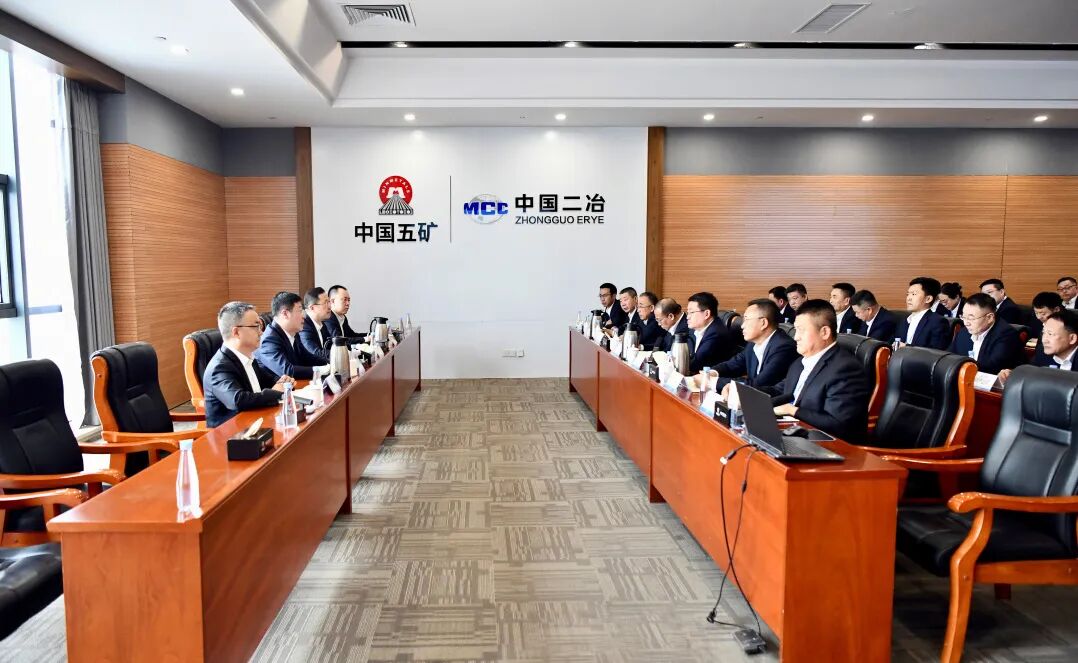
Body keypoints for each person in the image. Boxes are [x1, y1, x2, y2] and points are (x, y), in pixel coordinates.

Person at [763, 299, 868, 442]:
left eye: (801, 330)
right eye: (796, 330)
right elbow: (781, 390)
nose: (796, 337)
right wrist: (748, 397)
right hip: (796, 434)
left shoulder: (846, 369)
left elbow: (840, 425)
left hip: (830, 447)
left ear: (824, 332)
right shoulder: (800, 362)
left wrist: (792, 410)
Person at [203, 301, 292, 428]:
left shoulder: (247, 356)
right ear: (236, 332)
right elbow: (237, 400)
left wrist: (282, 382)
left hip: (255, 422)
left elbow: (268, 379)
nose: (261, 332)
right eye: (256, 326)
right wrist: (275, 392)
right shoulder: (219, 368)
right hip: (231, 433)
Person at [715, 298, 798, 393]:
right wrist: (710, 373)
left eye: (746, 319)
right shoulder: (753, 343)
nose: (742, 326)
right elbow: (732, 365)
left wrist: (714, 382)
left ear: (763, 323)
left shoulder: (783, 347)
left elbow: (759, 384)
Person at [255, 291, 329, 380]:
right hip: (277, 387)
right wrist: (322, 370)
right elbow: (287, 370)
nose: (304, 316)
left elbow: (308, 357)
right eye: (300, 311)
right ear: (285, 313)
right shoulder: (269, 340)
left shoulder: (294, 333)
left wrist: (331, 364)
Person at [949, 292, 1023, 375]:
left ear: (989, 318)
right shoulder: (964, 332)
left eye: (971, 318)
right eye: (963, 317)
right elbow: (950, 357)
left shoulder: (1007, 335)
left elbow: (991, 368)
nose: (966, 323)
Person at [1000, 310, 1078, 384]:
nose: (1044, 340)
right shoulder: (1042, 353)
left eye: (1050, 334)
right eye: (1044, 333)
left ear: (1072, 339)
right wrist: (1012, 375)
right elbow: (1029, 374)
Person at [685, 292, 736, 373]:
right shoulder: (695, 329)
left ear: (707, 314)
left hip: (712, 377)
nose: (688, 317)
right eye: (687, 312)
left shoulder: (716, 333)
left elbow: (695, 364)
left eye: (691, 312)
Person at [896, 277, 951, 350]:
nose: (908, 298)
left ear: (928, 299)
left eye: (914, 294)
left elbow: (936, 352)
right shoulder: (904, 320)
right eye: (907, 294)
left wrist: (907, 348)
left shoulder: (938, 322)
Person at [1026, 292, 1064, 360]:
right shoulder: (1036, 319)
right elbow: (1032, 338)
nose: (1039, 317)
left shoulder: (1067, 324)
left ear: (1056, 310)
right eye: (1036, 313)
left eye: (1043, 314)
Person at [299, 287, 333, 361]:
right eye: (325, 303)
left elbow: (330, 345)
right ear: (312, 308)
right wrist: (340, 355)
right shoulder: (304, 326)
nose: (330, 306)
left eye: (329, 302)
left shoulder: (322, 323)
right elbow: (315, 352)